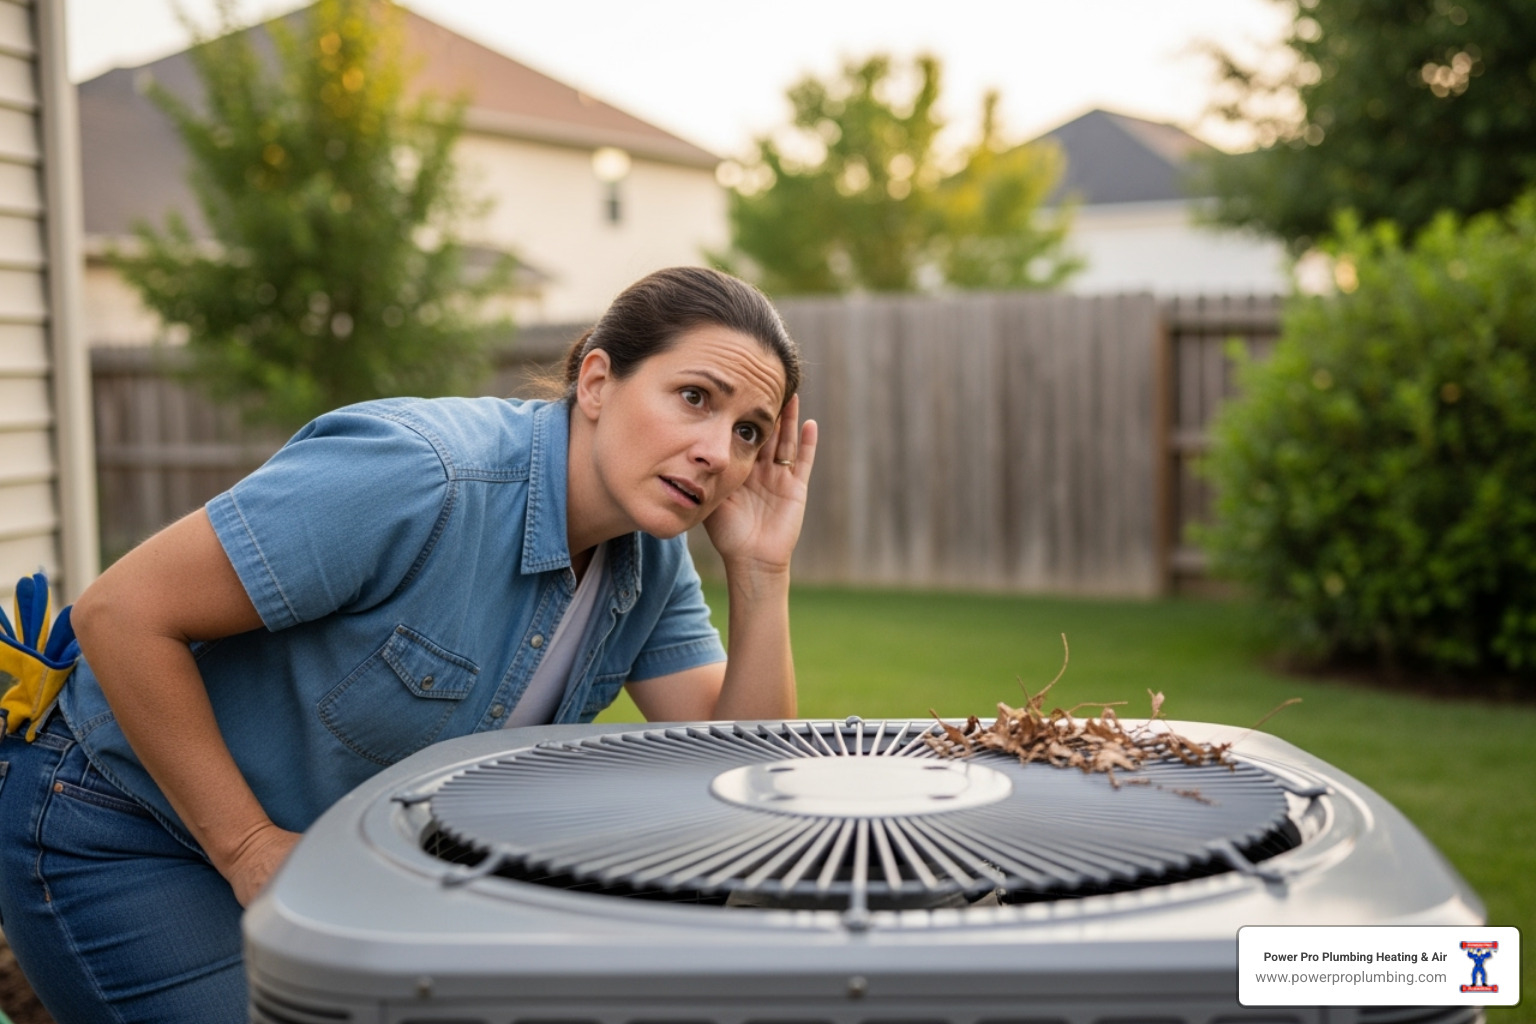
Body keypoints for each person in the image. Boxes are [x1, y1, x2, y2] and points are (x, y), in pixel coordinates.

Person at [0, 266, 817, 1024]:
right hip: (120, 820)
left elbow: (735, 774)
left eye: (749, 431)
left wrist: (760, 570)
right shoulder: (422, 477)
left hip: (326, 870)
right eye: (694, 398)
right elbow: (120, 613)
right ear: (598, 382)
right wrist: (247, 847)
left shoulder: (649, 563)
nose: (719, 451)